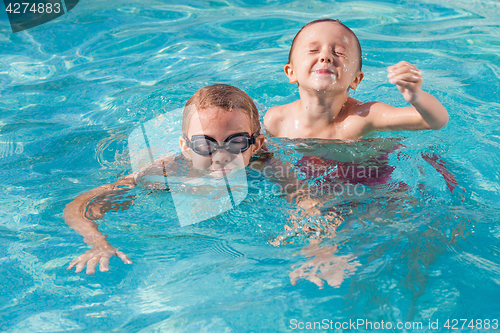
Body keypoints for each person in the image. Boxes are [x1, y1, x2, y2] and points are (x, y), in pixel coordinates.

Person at [64, 84, 265, 274]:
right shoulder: (162, 174)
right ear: (186, 147)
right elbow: (79, 206)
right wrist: (98, 243)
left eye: (236, 142)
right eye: (205, 144)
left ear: (255, 145)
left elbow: (296, 196)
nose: (221, 156)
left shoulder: (268, 163)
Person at [263, 18, 449, 139]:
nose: (326, 57)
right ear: (291, 72)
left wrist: (416, 96)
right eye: (313, 50)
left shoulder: (364, 117)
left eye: (339, 52)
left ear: (355, 80)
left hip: (371, 180)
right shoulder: (276, 121)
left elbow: (436, 121)